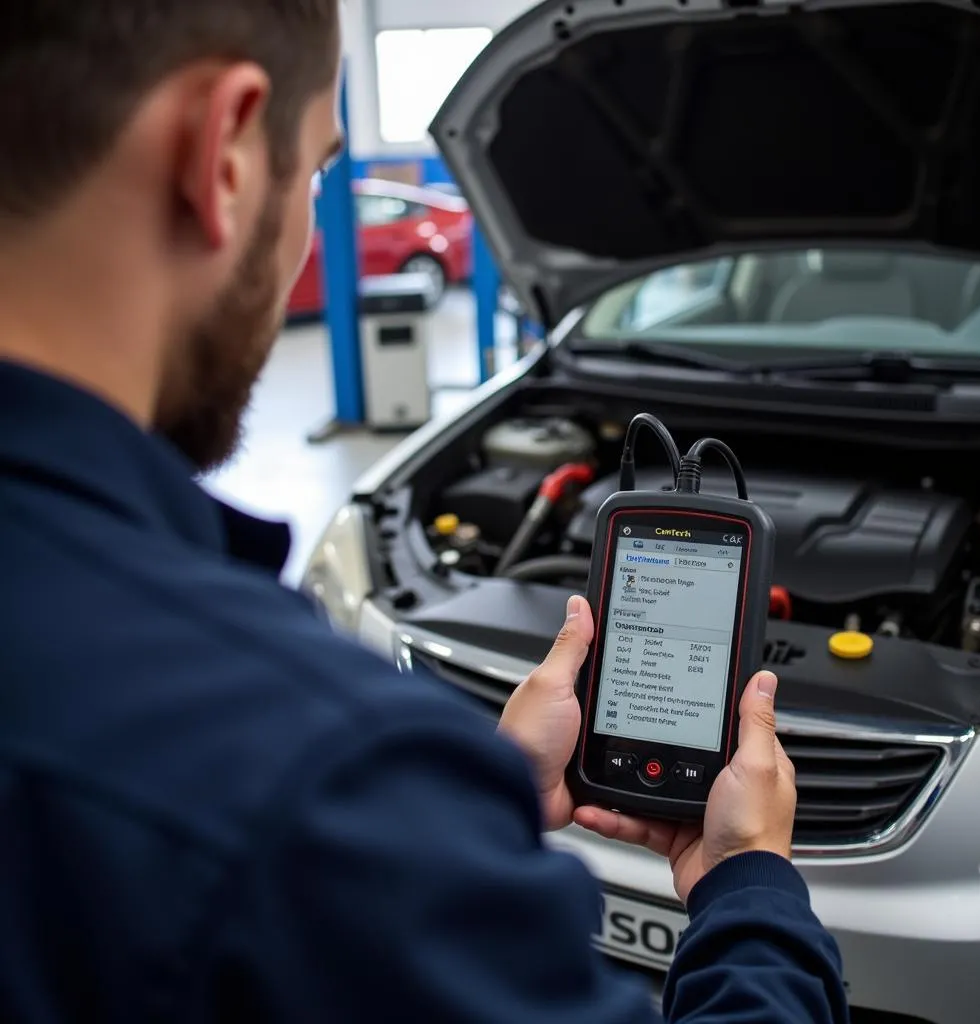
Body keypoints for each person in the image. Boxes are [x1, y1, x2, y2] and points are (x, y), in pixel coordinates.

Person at [0, 3, 849, 1022]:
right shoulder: (309, 778)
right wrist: (749, 879)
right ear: (222, 148)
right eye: (316, 171)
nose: (310, 217)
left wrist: (467, 802)